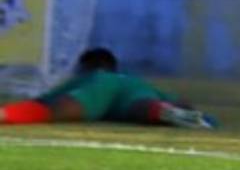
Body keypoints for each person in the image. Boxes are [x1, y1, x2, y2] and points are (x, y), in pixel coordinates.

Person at [0, 47, 216, 129]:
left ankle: (3, 115)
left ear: (85, 67)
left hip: (98, 91)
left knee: (55, 110)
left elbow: (47, 100)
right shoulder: (133, 80)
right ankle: (166, 113)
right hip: (135, 93)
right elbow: (178, 99)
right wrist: (201, 115)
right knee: (144, 106)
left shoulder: (93, 78)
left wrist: (14, 109)